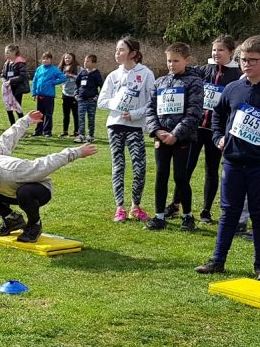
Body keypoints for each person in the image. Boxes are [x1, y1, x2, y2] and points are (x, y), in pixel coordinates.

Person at [196, 35, 260, 276]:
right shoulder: (233, 88)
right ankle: (217, 260)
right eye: (243, 60)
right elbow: (217, 114)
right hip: (233, 161)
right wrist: (217, 137)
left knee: (259, 214)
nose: (247, 65)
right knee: (228, 212)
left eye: (253, 60)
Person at [0, 110, 97, 243]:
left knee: (24, 192)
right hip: (10, 191)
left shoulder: (16, 170)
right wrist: (25, 121)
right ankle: (11, 219)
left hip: (38, 190)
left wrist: (76, 152)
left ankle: (34, 225)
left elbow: (46, 164)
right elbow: (7, 139)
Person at [171, 35, 241, 224]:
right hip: (196, 128)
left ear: (231, 52)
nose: (216, 53)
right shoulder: (203, 70)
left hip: (217, 131)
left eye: (220, 50)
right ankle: (175, 204)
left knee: (211, 169)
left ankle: (206, 211)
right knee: (186, 167)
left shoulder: (237, 74)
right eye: (214, 50)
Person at [144, 42, 205, 231]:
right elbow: (150, 110)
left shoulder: (194, 82)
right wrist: (157, 131)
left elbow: (194, 112)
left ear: (187, 60)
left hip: (182, 138)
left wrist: (176, 134)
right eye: (169, 61)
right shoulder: (159, 82)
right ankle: (159, 216)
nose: (171, 65)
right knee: (161, 175)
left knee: (180, 176)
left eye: (176, 61)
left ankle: (187, 216)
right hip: (161, 138)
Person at [97, 36, 155, 222]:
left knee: (139, 167)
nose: (117, 53)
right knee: (118, 166)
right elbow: (102, 101)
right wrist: (119, 104)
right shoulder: (113, 76)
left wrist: (135, 114)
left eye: (121, 50)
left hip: (135, 126)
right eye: (116, 50)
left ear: (133, 53)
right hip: (115, 125)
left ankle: (135, 206)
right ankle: (120, 207)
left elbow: (151, 102)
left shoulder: (145, 73)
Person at [30, 52, 67, 137]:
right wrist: (34, 93)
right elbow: (35, 81)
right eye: (44, 59)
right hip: (40, 95)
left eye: (47, 59)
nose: (45, 60)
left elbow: (63, 77)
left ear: (51, 60)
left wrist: (54, 82)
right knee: (39, 113)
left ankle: (47, 131)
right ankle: (38, 130)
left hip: (49, 95)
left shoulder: (54, 69)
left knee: (48, 114)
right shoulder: (39, 69)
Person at [74, 54, 102, 144]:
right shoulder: (82, 73)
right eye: (85, 61)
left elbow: (102, 87)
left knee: (91, 118)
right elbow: (77, 85)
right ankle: (81, 135)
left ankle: (90, 136)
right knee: (81, 117)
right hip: (81, 99)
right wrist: (76, 95)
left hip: (91, 100)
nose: (85, 63)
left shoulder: (97, 74)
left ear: (94, 63)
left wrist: (97, 97)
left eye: (88, 61)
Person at [1, 44, 29, 125]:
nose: (6, 54)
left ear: (14, 52)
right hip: (8, 90)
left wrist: (11, 81)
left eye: (8, 53)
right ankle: (12, 127)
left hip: (17, 90)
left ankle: (22, 127)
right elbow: (2, 75)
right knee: (8, 109)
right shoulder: (6, 63)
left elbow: (22, 76)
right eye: (5, 53)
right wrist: (4, 81)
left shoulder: (20, 63)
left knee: (17, 109)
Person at [60, 53, 81, 137]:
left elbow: (82, 78)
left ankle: (76, 131)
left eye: (69, 58)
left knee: (75, 114)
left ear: (73, 58)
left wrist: (72, 75)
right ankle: (65, 131)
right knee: (66, 114)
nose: (67, 60)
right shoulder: (62, 68)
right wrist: (63, 77)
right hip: (65, 94)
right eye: (65, 58)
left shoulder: (78, 68)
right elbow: (59, 80)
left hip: (75, 95)